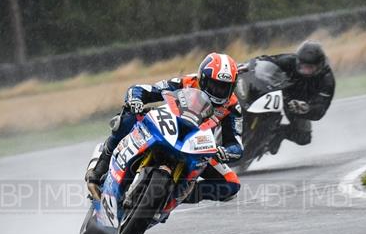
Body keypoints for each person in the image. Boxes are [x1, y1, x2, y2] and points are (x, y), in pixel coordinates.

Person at [85, 52, 243, 205]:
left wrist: (225, 152)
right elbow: (143, 90)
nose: (218, 91)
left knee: (231, 185)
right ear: (202, 78)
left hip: (200, 146)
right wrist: (135, 100)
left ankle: (180, 194)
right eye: (214, 85)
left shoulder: (232, 107)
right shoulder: (186, 82)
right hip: (168, 126)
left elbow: (236, 145)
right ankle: (98, 170)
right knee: (127, 118)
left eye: (224, 87)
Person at [251, 40, 336, 153]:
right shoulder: (289, 60)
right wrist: (254, 70)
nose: (305, 71)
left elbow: (321, 108)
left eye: (310, 68)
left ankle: (279, 134)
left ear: (319, 66)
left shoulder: (327, 81)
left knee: (304, 137)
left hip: (298, 105)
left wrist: (307, 109)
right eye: (302, 66)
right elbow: (263, 61)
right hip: (276, 92)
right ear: (298, 61)